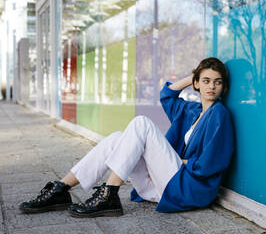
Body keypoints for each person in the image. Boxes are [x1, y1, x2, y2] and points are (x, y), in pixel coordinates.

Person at [19, 57, 235, 218]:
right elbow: (167, 95)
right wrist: (193, 75)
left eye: (217, 82)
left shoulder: (219, 114)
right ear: (197, 84)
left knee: (141, 123)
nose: (211, 86)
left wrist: (162, 164)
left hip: (188, 190)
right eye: (205, 81)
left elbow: (211, 163)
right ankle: (61, 188)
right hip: (161, 187)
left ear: (223, 87)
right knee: (116, 138)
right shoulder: (192, 110)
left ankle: (110, 193)